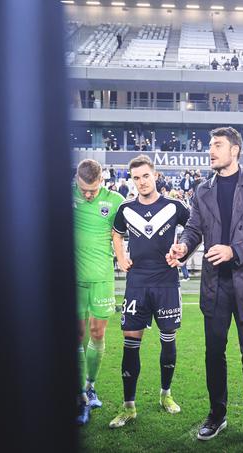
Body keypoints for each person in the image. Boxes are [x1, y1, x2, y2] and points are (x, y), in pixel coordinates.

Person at [167, 127, 243, 444]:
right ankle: (217, 414)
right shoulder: (202, 190)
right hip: (215, 285)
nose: (211, 150)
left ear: (235, 150)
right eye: (210, 146)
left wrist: (234, 251)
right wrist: (182, 247)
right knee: (214, 352)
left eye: (217, 145)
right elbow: (193, 229)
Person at [108, 155, 190, 428]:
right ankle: (128, 405)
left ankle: (166, 394)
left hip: (167, 281)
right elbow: (117, 234)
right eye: (136, 178)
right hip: (137, 283)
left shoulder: (175, 206)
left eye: (145, 176)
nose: (141, 182)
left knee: (168, 340)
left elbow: (195, 231)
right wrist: (120, 257)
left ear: (155, 175)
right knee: (131, 343)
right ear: (131, 181)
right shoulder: (126, 208)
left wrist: (183, 254)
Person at [72, 159, 125, 425]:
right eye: (83, 189)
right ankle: (78, 391)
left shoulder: (115, 200)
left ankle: (90, 385)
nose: (88, 194)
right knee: (77, 333)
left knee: (97, 333)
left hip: (102, 280)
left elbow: (121, 235)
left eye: (92, 189)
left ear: (101, 180)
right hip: (75, 280)